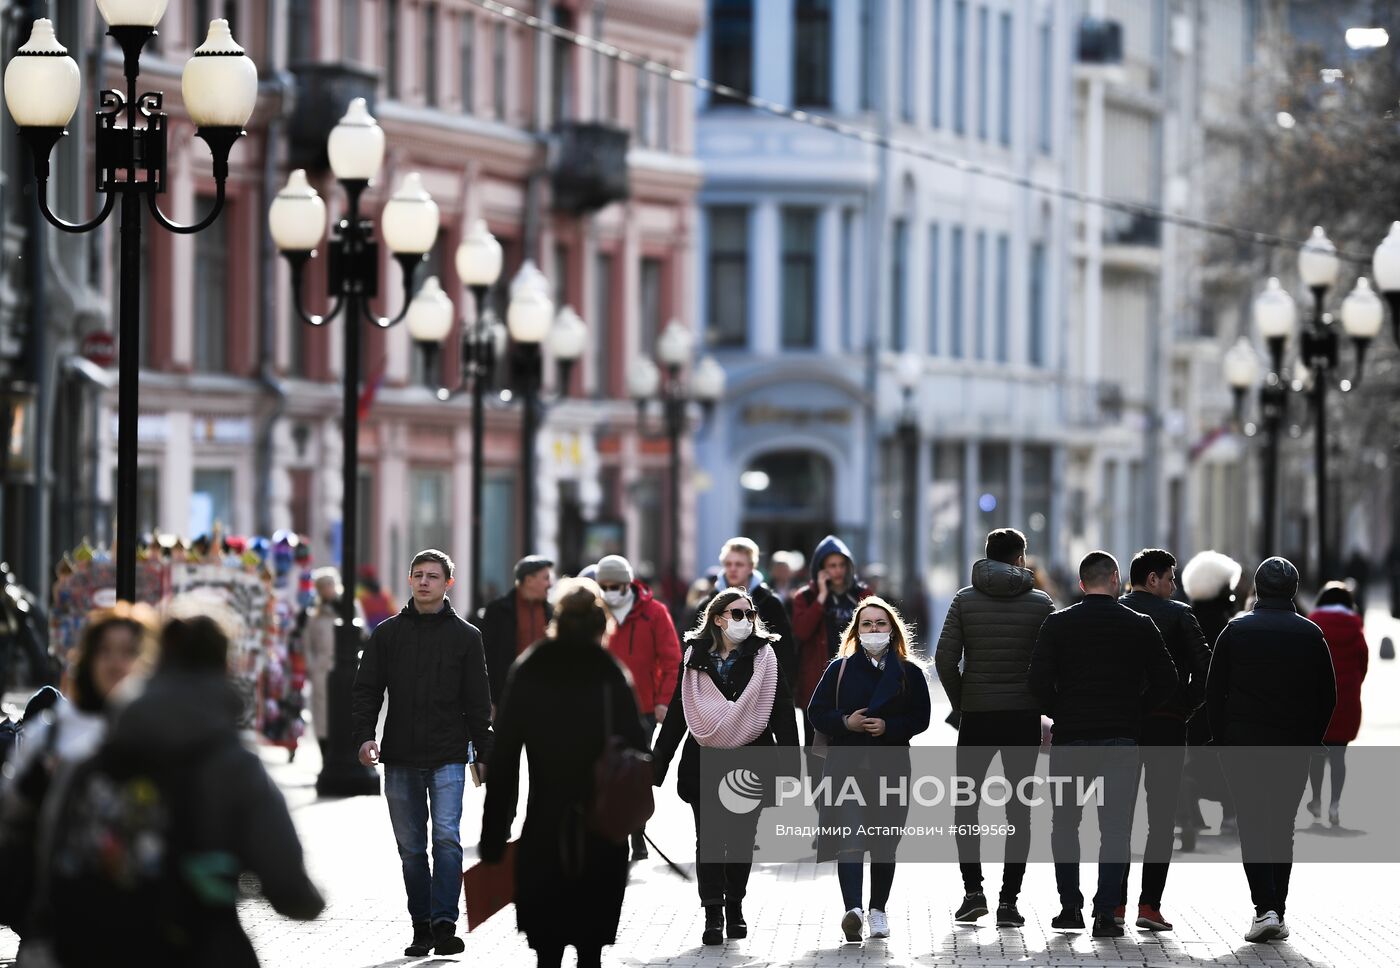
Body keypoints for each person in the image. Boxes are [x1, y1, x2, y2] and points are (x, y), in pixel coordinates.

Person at [28, 615, 324, 967]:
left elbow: (48, 860)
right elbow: (291, 891)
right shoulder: (237, 767)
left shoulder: (96, 753)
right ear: (224, 666)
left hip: (97, 948)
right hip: (202, 949)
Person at [480, 578, 648, 968]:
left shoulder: (531, 667)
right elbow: (639, 750)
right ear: (601, 623)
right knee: (591, 950)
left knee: (547, 948)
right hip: (601, 830)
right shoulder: (610, 673)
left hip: (545, 827)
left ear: (556, 619)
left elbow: (504, 758)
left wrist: (493, 837)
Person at [351, 549, 494, 957]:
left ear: (448, 583)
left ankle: (444, 923)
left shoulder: (467, 636)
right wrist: (364, 737)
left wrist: (485, 752)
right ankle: (422, 926)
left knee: (447, 840)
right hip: (399, 757)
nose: (424, 582)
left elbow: (478, 701)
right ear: (409, 580)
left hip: (448, 755)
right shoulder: (388, 634)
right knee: (411, 849)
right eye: (418, 575)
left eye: (433, 576)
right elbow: (366, 691)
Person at [1028, 551, 1177, 939]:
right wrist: (1136, 712)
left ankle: (1069, 908)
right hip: (1120, 738)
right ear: (1115, 579)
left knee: (1065, 825)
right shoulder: (1139, 624)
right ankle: (1107, 914)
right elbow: (1168, 680)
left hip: (1070, 738)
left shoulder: (1058, 624)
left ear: (1081, 584)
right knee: (1115, 829)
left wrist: (1060, 710)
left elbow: (1036, 682)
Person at [652, 586, 799, 945]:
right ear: (718, 619)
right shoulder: (694, 656)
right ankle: (713, 913)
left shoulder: (765, 657)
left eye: (750, 614)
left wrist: (792, 767)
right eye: (737, 613)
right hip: (704, 757)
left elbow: (781, 710)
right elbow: (679, 711)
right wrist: (657, 765)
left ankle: (734, 904)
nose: (745, 620)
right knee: (710, 839)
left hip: (751, 757)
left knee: (742, 839)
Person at [0, 604, 157, 939]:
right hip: (60, 920)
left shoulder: (167, 737)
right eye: (105, 651)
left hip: (142, 923)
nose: (116, 663)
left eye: (128, 652)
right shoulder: (52, 733)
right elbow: (12, 815)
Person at [1207, 557, 1336, 944]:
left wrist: (1221, 739)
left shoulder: (1235, 631)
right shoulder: (1311, 634)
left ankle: (1265, 908)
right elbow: (1327, 696)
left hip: (1243, 745)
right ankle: (1276, 909)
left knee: (1252, 824)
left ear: (1257, 589)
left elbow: (1214, 692)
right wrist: (1312, 737)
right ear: (1293, 590)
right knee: (1282, 826)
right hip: (1293, 746)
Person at [933, 528, 1055, 927]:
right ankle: (1008, 903)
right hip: (1022, 717)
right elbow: (1052, 663)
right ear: (1021, 559)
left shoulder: (964, 599)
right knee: (1018, 812)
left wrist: (962, 702)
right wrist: (1041, 704)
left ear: (987, 557)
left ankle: (973, 893)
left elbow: (944, 659)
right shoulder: (1041, 603)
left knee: (966, 805)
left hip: (978, 716)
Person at [807, 597, 931, 943]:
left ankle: (878, 910)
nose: (874, 629)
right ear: (856, 631)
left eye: (880, 623)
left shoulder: (909, 672)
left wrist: (889, 727)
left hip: (891, 768)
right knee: (849, 838)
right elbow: (816, 712)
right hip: (847, 769)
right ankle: (854, 910)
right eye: (867, 624)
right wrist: (846, 721)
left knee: (884, 842)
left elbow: (921, 718)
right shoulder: (840, 668)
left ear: (892, 630)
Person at [1115, 548, 1212, 931]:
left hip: (1121, 727)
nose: (1174, 585)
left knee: (1118, 818)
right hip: (1167, 726)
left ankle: (1114, 905)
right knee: (1161, 819)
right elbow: (1206, 671)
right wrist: (1183, 706)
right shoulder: (1180, 615)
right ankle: (1149, 906)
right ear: (1152, 578)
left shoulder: (1114, 612)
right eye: (1170, 578)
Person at [594, 554, 681, 861]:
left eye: (615, 586)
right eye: (604, 586)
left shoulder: (654, 613)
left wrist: (663, 701)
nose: (609, 592)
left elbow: (671, 660)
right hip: (600, 708)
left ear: (628, 583)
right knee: (603, 773)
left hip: (642, 709)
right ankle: (609, 832)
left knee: (634, 774)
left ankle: (637, 833)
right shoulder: (595, 611)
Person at [1179, 549, 1244, 838]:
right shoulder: (1229, 624)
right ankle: (1229, 814)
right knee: (1225, 761)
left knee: (1193, 761)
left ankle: (1191, 813)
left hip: (1193, 705)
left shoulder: (1185, 618)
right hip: (1223, 705)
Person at [792, 536, 872, 764]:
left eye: (841, 565)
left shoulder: (862, 594)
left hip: (856, 679)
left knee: (854, 752)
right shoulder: (805, 596)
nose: (837, 571)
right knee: (816, 752)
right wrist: (821, 598)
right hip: (818, 682)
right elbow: (802, 631)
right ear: (821, 569)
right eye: (831, 566)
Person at [1304, 581, 1368, 826]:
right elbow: (1363, 662)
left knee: (1317, 754)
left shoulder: (1313, 623)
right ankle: (1335, 804)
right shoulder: (1355, 626)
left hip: (1317, 698)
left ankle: (1316, 800)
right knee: (1339, 755)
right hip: (1346, 698)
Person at [700, 538, 796, 693]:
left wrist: (782, 691)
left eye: (739, 564)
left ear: (751, 567)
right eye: (728, 564)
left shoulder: (770, 603)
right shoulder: (708, 604)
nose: (733, 569)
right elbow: (696, 647)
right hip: (713, 688)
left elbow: (785, 651)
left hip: (761, 687)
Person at [481, 555, 555, 710]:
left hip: (546, 694)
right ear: (529, 580)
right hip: (507, 696)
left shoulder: (553, 611)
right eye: (546, 578)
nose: (550, 584)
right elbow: (486, 657)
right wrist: (490, 699)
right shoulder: (498, 611)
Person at [297, 566, 352, 761]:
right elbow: (307, 645)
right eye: (323, 585)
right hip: (322, 671)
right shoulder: (314, 615)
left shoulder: (349, 608)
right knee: (322, 715)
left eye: (330, 584)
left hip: (347, 668)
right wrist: (312, 668)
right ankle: (326, 754)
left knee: (346, 713)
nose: (328, 589)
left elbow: (362, 634)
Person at [357, 565, 398, 632]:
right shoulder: (385, 595)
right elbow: (394, 613)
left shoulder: (361, 595)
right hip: (383, 628)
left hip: (370, 628)